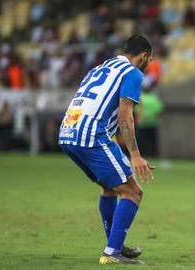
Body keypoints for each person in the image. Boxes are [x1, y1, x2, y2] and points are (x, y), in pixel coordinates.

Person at [58, 35, 155, 265]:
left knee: (109, 188)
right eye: (148, 59)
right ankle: (113, 252)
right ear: (143, 56)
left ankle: (116, 244)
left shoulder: (99, 68)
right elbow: (125, 114)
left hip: (68, 131)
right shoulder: (132, 73)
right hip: (91, 135)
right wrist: (135, 155)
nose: (148, 64)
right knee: (133, 192)